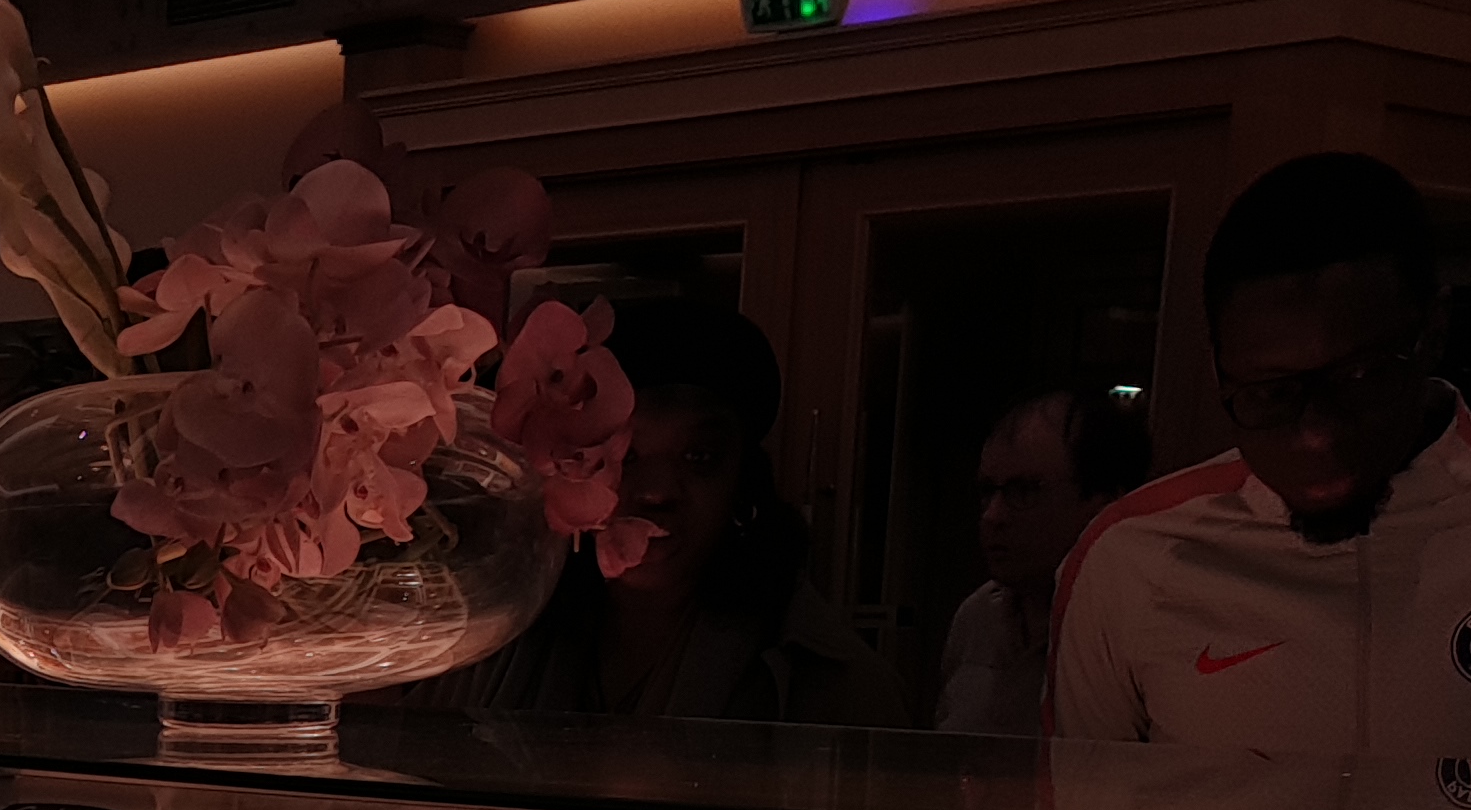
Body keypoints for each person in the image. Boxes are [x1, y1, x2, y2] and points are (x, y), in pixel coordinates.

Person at [1048, 152, 1471, 761]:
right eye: (1272, 393)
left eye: (1359, 378)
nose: (1316, 436)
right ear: (1222, 371)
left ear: (1433, 331)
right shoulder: (1130, 555)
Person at [471, 296, 903, 729]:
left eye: (699, 457)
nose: (658, 492)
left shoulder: (825, 685)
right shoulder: (486, 636)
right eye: (624, 456)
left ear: (742, 481)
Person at [931, 386, 1148, 734]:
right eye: (987, 492)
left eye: (1024, 491)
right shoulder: (978, 618)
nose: (992, 516)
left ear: (1105, 504)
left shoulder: (1136, 629)